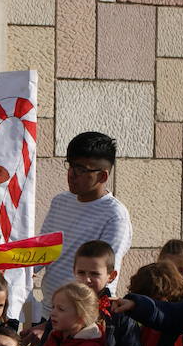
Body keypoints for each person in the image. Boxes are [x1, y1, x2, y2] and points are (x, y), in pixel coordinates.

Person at [36, 131, 132, 319]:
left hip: (81, 319)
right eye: (71, 166)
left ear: (102, 176)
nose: (71, 174)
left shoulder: (115, 216)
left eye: (81, 169)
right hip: (50, 311)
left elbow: (103, 281)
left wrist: (76, 319)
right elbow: (42, 251)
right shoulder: (60, 201)